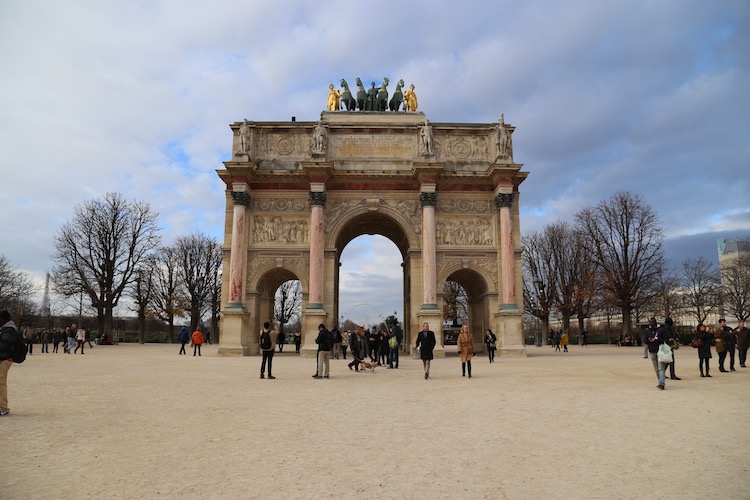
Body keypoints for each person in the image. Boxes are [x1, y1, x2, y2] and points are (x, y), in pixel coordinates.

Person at [0, 310, 22, 416]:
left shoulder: (9, 330)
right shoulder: (5, 329)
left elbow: (3, 345)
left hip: (4, 359)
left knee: (1, 384)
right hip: (3, 358)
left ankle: (3, 408)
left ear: (3, 319)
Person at [646, 317, 671, 390]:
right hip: (652, 350)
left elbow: (666, 338)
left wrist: (658, 340)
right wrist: (649, 340)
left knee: (661, 368)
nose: (651, 324)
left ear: (655, 322)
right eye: (650, 322)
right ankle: (660, 381)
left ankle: (661, 383)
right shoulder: (648, 331)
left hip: (660, 350)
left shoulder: (661, 330)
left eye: (652, 322)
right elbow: (645, 340)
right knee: (656, 369)